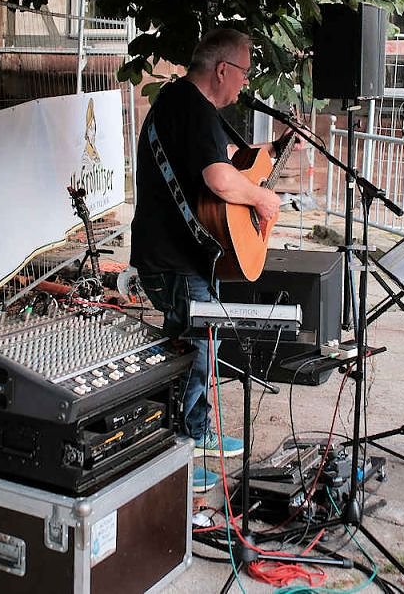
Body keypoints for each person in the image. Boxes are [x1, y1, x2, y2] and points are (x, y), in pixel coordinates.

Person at [130, 28, 281, 493]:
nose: (245, 83)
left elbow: (225, 160)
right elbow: (220, 179)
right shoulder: (193, 109)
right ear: (222, 70)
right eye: (244, 73)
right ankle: (176, 453)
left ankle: (196, 430)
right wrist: (262, 198)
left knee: (201, 346)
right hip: (173, 259)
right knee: (193, 353)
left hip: (185, 254)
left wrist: (270, 153)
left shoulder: (182, 104)